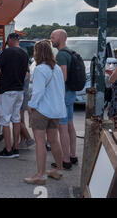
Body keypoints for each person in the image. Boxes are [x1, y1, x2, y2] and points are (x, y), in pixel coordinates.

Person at [24, 40, 66, 185]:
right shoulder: (57, 68)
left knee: (40, 142)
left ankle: (40, 175)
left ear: (37, 52)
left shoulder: (40, 69)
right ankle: (59, 169)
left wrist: (31, 105)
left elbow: (38, 91)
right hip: (56, 110)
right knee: (54, 140)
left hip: (42, 110)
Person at [0, 33, 29, 158]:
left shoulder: (7, 52)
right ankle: (15, 148)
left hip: (7, 91)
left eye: (7, 41)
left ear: (11, 40)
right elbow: (23, 73)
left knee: (5, 120)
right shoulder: (24, 53)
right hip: (19, 90)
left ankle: (7, 150)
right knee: (16, 120)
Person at [50, 29, 78, 170]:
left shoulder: (61, 55)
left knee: (63, 127)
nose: (51, 40)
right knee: (70, 125)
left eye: (53, 37)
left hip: (64, 94)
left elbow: (63, 78)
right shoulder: (70, 52)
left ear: (61, 38)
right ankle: (73, 155)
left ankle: (65, 160)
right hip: (71, 93)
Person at [18, 71, 36, 149]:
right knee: (21, 120)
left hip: (22, 96)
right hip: (24, 95)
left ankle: (28, 139)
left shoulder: (24, 73)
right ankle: (23, 140)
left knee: (18, 120)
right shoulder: (26, 71)